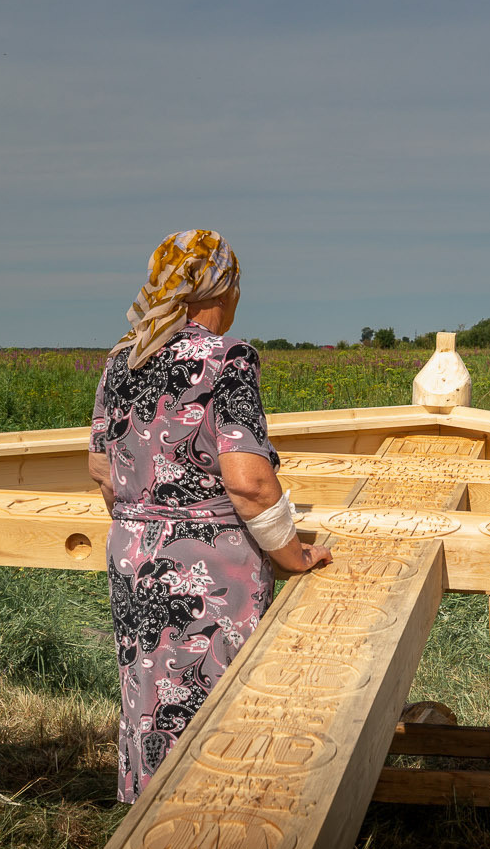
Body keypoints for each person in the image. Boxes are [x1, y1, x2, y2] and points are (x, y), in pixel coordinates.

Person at [88, 230, 332, 802]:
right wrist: (292, 552)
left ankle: (148, 832)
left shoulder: (122, 359)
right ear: (220, 288)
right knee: (216, 706)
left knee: (149, 701)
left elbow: (103, 472)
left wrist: (147, 526)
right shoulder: (226, 358)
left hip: (133, 556)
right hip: (209, 572)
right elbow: (249, 483)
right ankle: (216, 833)